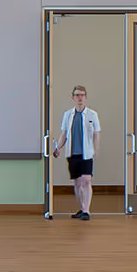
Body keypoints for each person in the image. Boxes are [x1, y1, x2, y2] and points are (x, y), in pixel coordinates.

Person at [53, 84, 100, 220]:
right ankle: (81, 208)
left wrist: (96, 150)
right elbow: (64, 134)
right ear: (73, 97)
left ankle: (86, 210)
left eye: (82, 95)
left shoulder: (92, 114)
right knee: (77, 183)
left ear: (85, 97)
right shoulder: (68, 115)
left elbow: (97, 134)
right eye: (77, 95)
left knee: (86, 180)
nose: (80, 98)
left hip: (87, 153)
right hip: (73, 153)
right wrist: (58, 148)